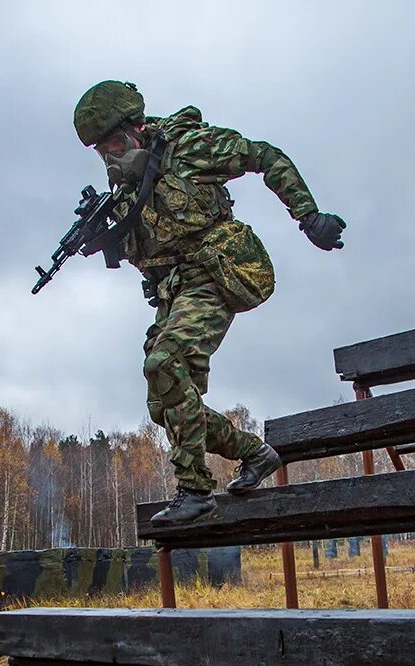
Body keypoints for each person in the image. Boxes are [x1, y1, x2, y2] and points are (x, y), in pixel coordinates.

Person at [72, 80, 345, 524]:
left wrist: (308, 216)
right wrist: (105, 236)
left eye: (118, 143)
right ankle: (254, 453)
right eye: (103, 151)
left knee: (164, 361)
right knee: (165, 402)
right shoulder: (124, 185)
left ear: (139, 127)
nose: (113, 156)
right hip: (174, 289)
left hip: (216, 271)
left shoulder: (190, 147)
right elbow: (145, 242)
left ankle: (196, 492)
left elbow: (265, 155)